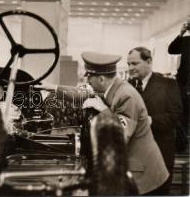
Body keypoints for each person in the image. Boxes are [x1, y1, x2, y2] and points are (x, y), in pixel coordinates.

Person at [36, 51, 169, 195]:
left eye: (89, 78)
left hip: (142, 175)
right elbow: (82, 94)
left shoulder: (126, 95)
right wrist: (53, 88)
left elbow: (119, 136)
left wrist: (104, 109)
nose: (87, 82)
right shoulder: (111, 87)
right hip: (131, 165)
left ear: (101, 79)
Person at [127, 47, 183, 194]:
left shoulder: (168, 85)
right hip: (134, 158)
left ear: (149, 61)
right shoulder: (128, 86)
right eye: (129, 64)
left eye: (135, 63)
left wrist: (150, 120)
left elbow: (175, 116)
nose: (131, 68)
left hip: (160, 155)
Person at [168, 16, 190, 136]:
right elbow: (171, 50)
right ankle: (183, 139)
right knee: (183, 113)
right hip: (184, 83)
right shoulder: (186, 41)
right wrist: (181, 34)